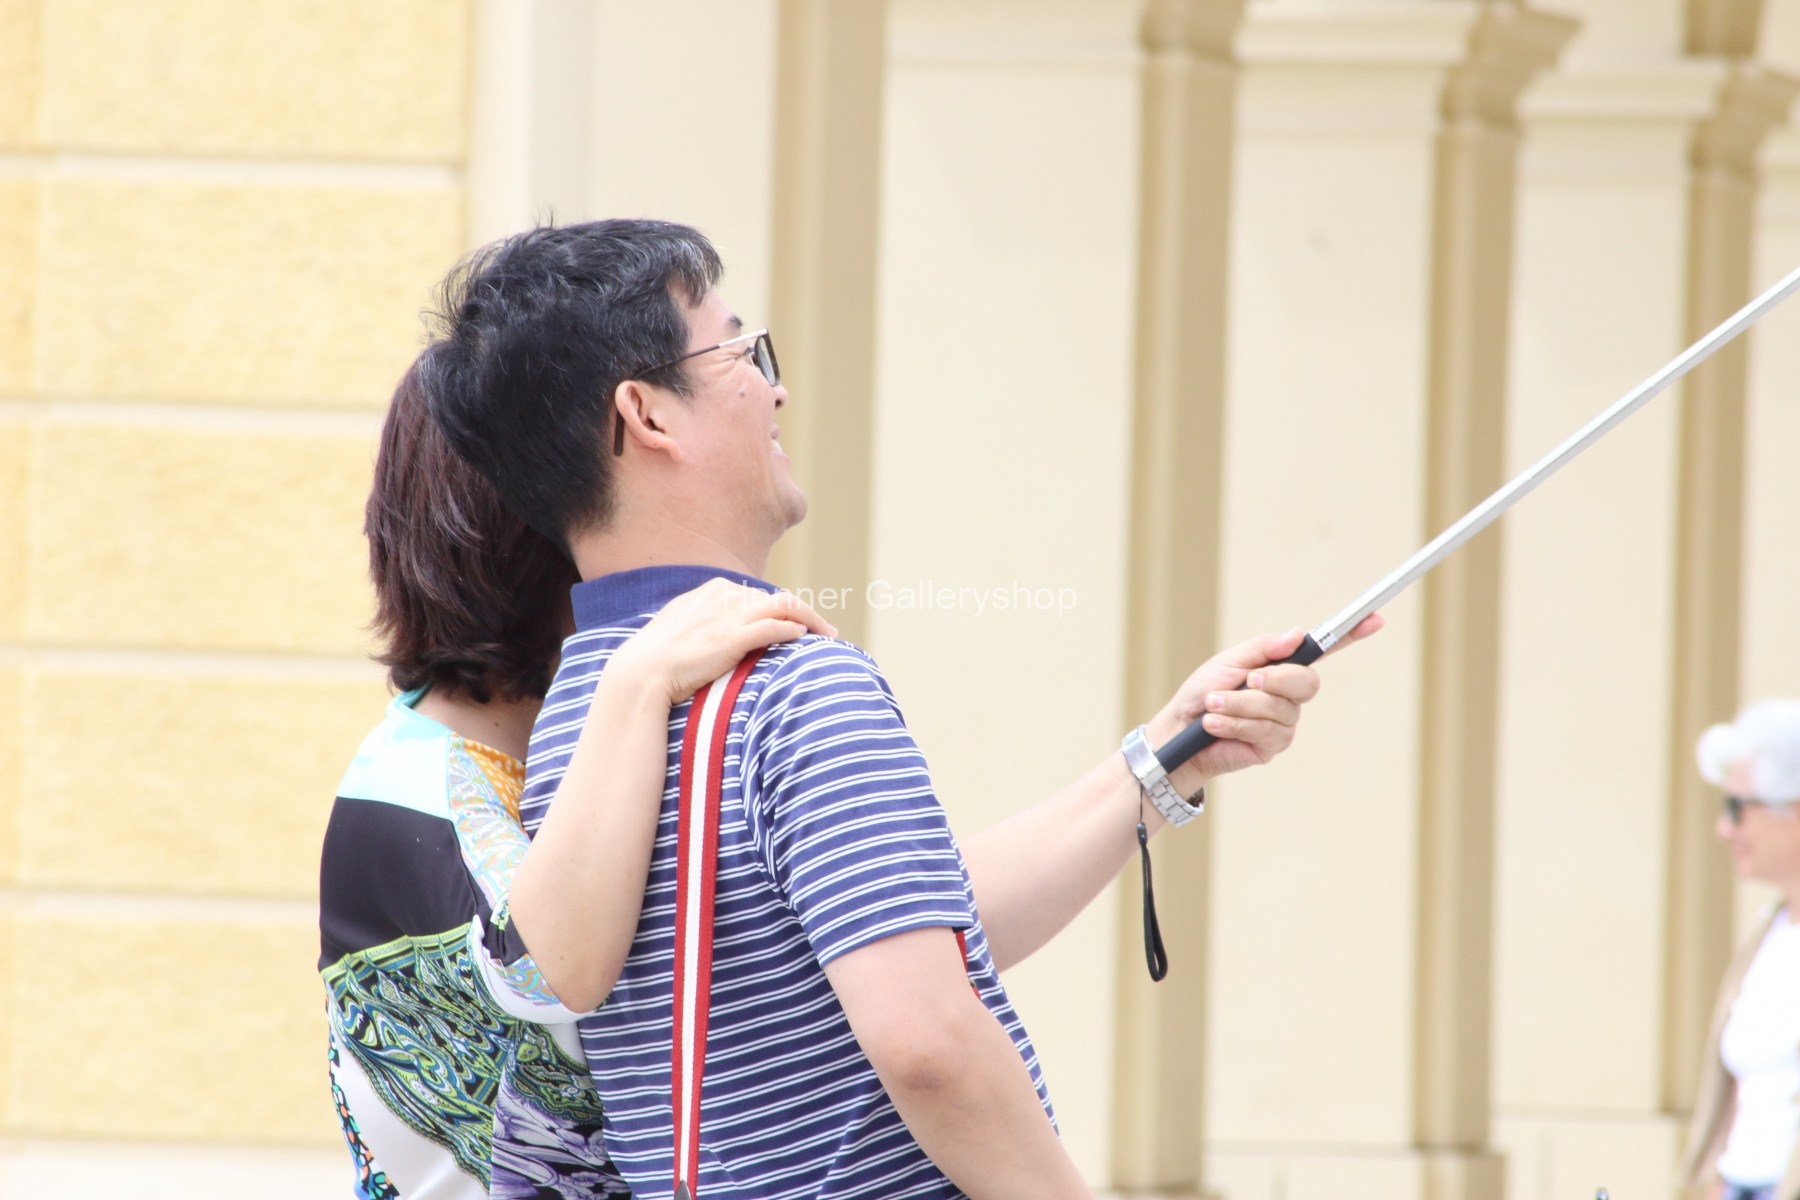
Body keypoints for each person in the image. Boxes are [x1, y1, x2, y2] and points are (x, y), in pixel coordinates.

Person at [425, 218, 1380, 1199]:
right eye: (742, 352)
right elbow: (928, 1040)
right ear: (648, 414)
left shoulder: (583, 710)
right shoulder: (794, 686)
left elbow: (895, 931)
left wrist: (1166, 756)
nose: (775, 389)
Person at [319, 354, 834, 1199]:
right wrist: (640, 678)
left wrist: (1113, 787)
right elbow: (542, 966)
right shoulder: (405, 791)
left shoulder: (627, 722)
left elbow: (882, 928)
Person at [1679, 699, 1800, 1200]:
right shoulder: (1769, 931)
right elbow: (1742, 1086)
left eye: (1737, 808)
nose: (1724, 829)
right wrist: (1717, 1180)